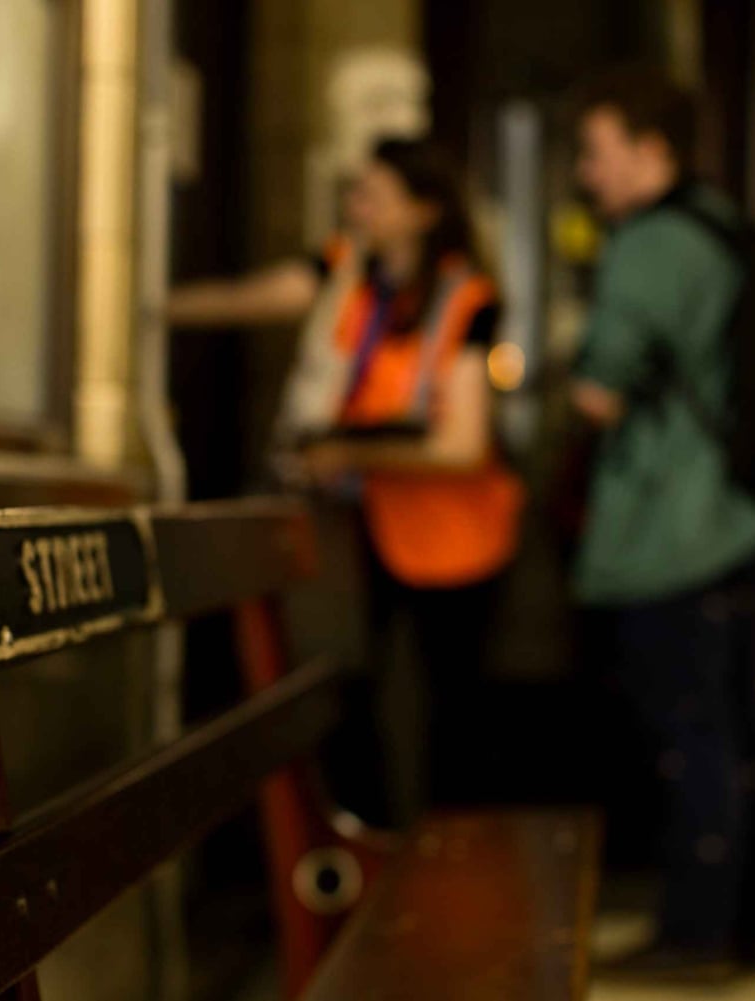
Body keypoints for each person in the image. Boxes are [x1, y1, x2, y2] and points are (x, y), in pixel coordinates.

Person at [170, 137, 524, 825]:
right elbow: (260, 296)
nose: (355, 207)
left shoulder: (466, 300)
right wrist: (139, 307)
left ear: (423, 210)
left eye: (373, 196)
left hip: (458, 539)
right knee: (360, 696)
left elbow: (462, 447)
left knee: (449, 711)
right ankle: (376, 843)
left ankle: (456, 858)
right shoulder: (349, 271)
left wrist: (348, 455)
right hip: (371, 525)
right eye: (354, 193)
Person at [569, 67, 755, 977]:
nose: (586, 172)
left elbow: (599, 390)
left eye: (597, 151)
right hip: (736, 518)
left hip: (675, 528)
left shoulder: (651, 244)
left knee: (691, 735)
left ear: (649, 150)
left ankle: (696, 932)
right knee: (741, 729)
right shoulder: (721, 225)